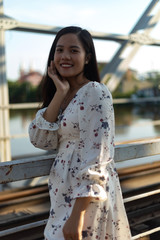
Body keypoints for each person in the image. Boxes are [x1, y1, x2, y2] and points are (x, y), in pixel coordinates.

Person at [28, 26, 131, 240]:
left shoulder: (95, 92)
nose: (65, 56)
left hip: (84, 201)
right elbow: (40, 139)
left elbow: (98, 156)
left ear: (87, 58)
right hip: (62, 194)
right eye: (59, 50)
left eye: (74, 50)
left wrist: (77, 216)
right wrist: (60, 92)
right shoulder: (65, 96)